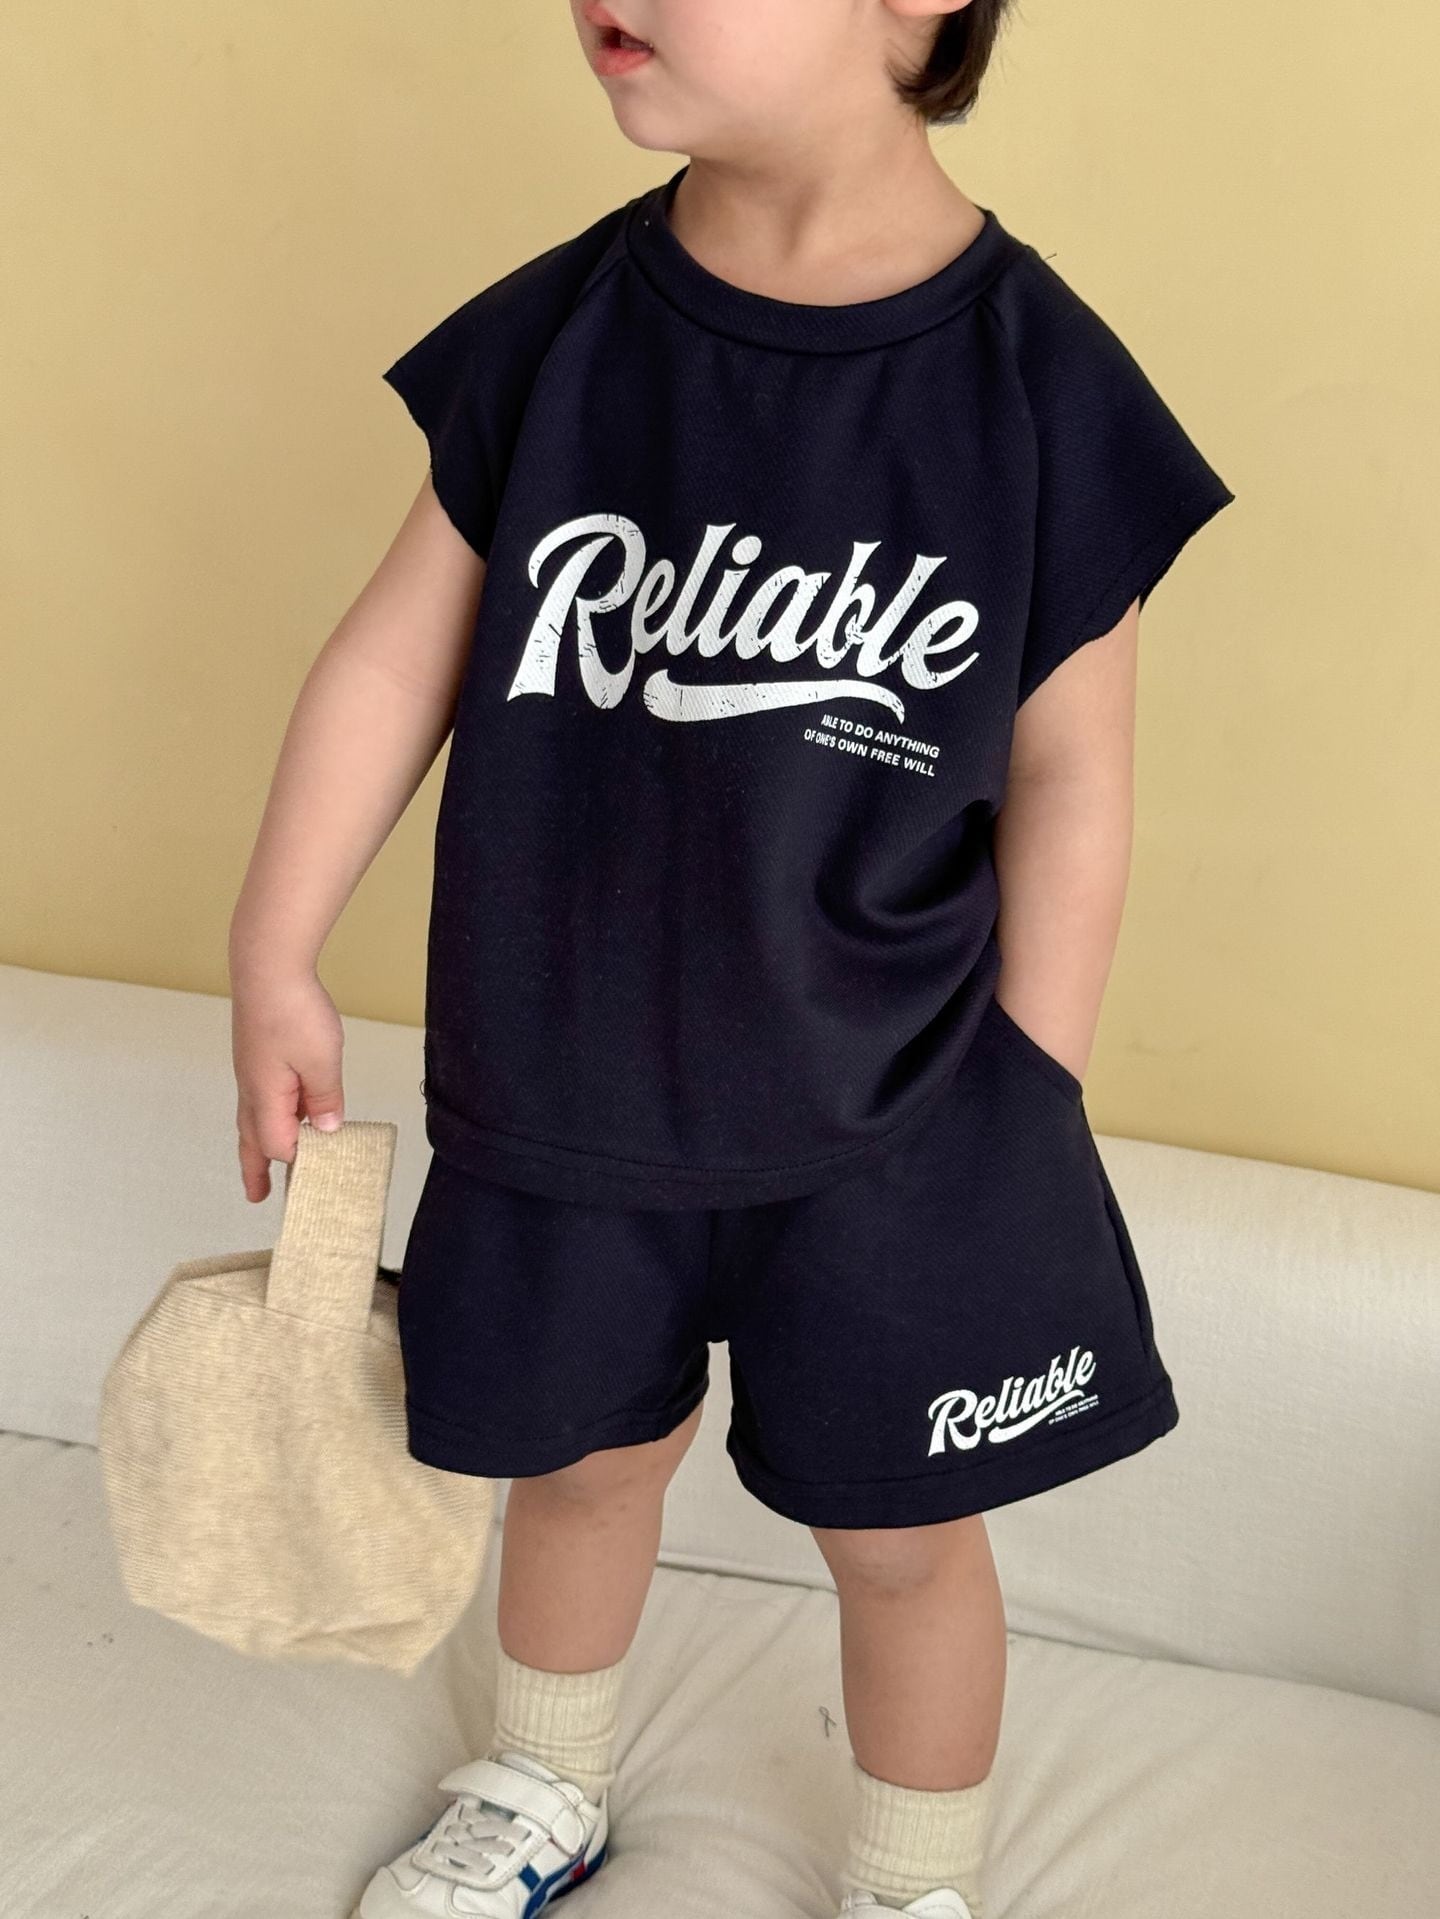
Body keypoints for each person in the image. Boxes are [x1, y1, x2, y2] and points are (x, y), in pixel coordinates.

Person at [228, 2, 1236, 1915]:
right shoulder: (560, 334)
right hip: (563, 1074)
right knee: (581, 1467)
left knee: (905, 1538)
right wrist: (277, 945)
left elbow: (1075, 776)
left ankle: (915, 1880)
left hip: (902, 1116)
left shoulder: (1041, 383)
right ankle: (545, 1780)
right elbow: (392, 657)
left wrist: (1029, 1082)